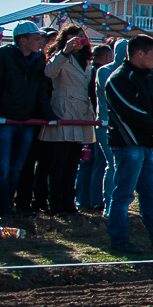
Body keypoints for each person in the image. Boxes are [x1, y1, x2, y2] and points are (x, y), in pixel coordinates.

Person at [102, 34, 153, 251]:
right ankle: (119, 239)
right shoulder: (118, 79)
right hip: (128, 145)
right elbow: (130, 111)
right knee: (123, 194)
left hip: (146, 145)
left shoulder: (149, 78)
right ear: (139, 53)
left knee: (150, 193)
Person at [36, 26, 93, 216]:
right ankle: (55, 203)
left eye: (81, 37)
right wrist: (65, 51)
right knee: (58, 164)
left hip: (80, 113)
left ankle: (69, 202)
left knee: (72, 164)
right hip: (63, 110)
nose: (77, 40)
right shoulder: (59, 56)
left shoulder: (86, 60)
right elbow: (49, 72)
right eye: (73, 36)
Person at [0, 22, 51, 216]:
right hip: (5, 120)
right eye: (37, 38)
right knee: (3, 169)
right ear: (22, 40)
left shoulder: (40, 59)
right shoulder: (3, 55)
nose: (41, 42)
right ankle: (3, 207)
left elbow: (41, 89)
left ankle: (7, 207)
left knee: (17, 169)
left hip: (28, 120)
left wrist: (47, 115)